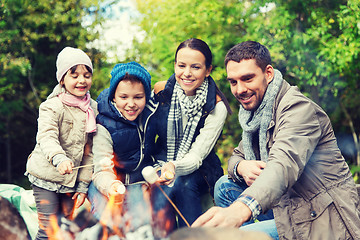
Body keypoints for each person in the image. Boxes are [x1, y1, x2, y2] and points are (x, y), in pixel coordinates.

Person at [192, 41, 360, 239]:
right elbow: (237, 156)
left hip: (321, 215)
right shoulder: (258, 114)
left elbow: (282, 165)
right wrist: (241, 167)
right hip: (288, 205)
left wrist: (239, 210)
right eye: (233, 82)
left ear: (268, 73)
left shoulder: (298, 109)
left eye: (247, 78)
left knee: (234, 236)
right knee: (224, 186)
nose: (239, 89)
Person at [87, 62, 175, 237]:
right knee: (108, 222)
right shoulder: (104, 124)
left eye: (138, 97)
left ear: (146, 96)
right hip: (108, 182)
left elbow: (164, 147)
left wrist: (159, 169)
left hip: (138, 181)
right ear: (114, 97)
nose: (131, 104)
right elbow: (101, 169)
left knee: (141, 224)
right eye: (124, 97)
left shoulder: (151, 115)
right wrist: (111, 185)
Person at [153, 38, 232, 228]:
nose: (186, 73)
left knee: (183, 184)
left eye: (195, 67)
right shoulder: (162, 91)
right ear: (175, 65)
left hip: (201, 169)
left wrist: (173, 167)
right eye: (181, 66)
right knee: (157, 190)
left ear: (208, 70)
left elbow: (197, 156)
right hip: (162, 160)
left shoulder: (216, 106)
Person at [25, 47, 97, 240]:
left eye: (86, 75)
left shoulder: (93, 109)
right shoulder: (52, 106)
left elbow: (90, 152)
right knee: (49, 229)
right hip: (46, 177)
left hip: (71, 182)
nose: (81, 80)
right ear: (62, 79)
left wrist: (82, 185)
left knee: (66, 228)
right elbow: (47, 136)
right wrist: (59, 158)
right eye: (74, 75)